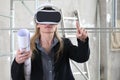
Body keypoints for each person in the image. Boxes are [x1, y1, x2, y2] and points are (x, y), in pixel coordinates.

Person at [11, 3, 90, 80]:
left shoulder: (65, 44)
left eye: (52, 18)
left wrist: (83, 41)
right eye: (43, 18)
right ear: (37, 24)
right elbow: (16, 77)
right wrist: (17, 62)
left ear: (56, 24)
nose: (48, 23)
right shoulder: (28, 46)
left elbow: (82, 57)